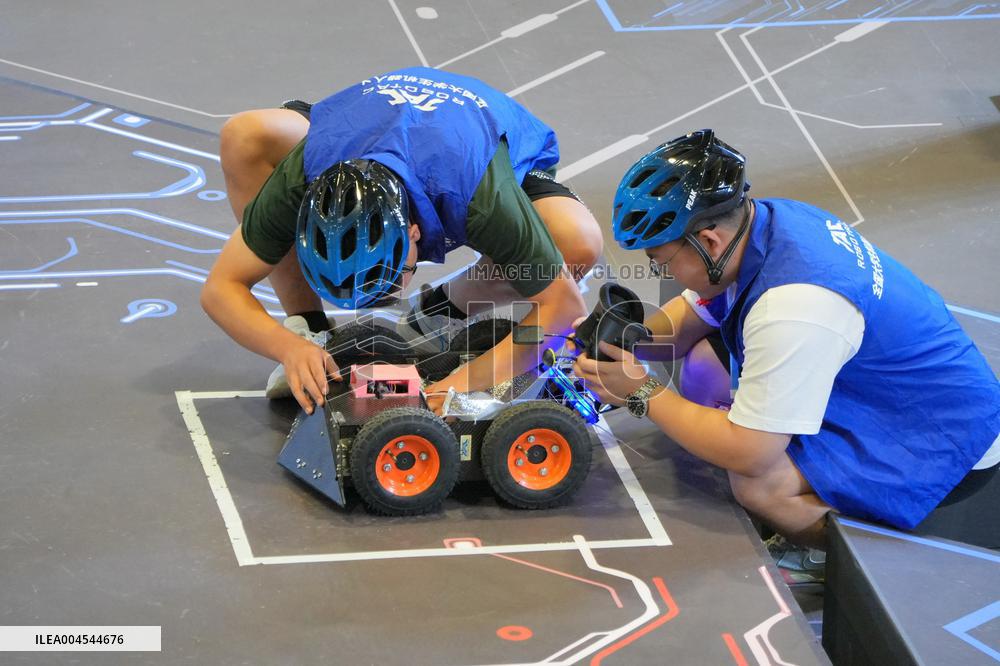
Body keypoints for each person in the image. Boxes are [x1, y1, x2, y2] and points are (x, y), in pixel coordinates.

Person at [574, 129, 1000, 551]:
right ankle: (772, 426)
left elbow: (750, 454)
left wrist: (642, 392)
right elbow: (691, 319)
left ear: (708, 241)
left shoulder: (794, 307)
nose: (662, 275)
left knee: (761, 486)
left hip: (940, 434)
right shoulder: (762, 224)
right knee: (706, 367)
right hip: (888, 381)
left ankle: (842, 562)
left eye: (660, 262)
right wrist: (630, 341)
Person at [201, 67, 602, 415]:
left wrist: (459, 384)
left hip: (478, 138)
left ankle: (440, 308)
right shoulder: (304, 174)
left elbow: (563, 308)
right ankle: (308, 326)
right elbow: (221, 289)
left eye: (391, 280)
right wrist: (287, 347)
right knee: (243, 135)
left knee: (576, 243)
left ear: (416, 234)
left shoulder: (481, 199)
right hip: (365, 127)